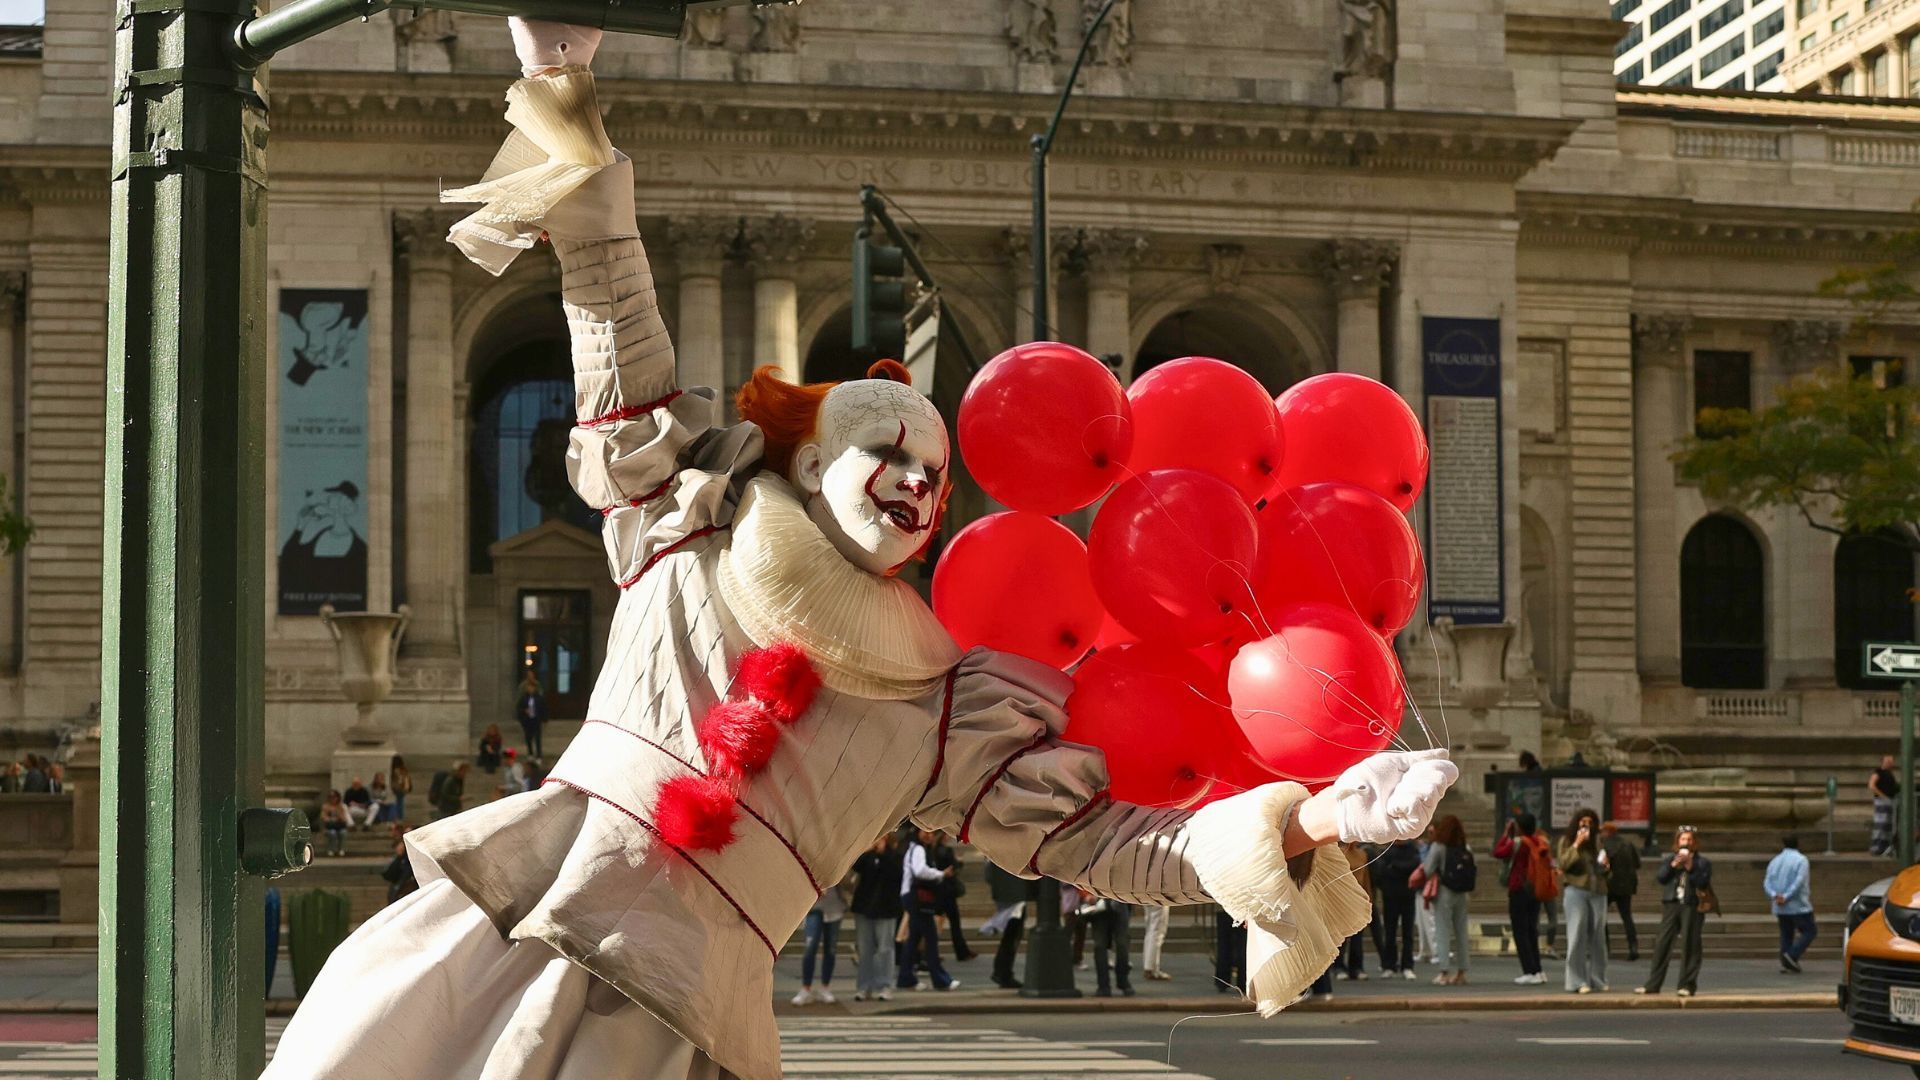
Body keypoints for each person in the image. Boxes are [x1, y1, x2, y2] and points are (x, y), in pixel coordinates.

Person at [262, 23, 1458, 1077]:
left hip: (689, 1014)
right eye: (885, 447)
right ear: (804, 455)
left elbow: (1102, 843)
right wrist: (562, 86)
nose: (919, 481)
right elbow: (619, 346)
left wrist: (1311, 820)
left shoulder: (940, 704)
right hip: (513, 925)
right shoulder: (683, 527)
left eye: (938, 473)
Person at [1638, 826, 1713, 997]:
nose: (1686, 843)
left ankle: (1687, 985)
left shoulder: (1702, 862)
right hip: (1672, 903)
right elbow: (1661, 878)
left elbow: (1702, 882)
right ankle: (1653, 984)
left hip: (1691, 905)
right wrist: (1673, 865)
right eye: (1683, 839)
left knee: (1690, 944)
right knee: (1662, 944)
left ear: (1695, 843)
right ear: (1677, 842)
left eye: (1689, 840)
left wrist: (1690, 866)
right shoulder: (1670, 859)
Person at [1492, 811, 1551, 985]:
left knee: (1520, 931)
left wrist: (1505, 833)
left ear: (1519, 827)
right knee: (1532, 930)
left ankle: (1528, 970)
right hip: (1535, 889)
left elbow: (1498, 852)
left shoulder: (1519, 843)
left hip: (1519, 889)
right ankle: (1538, 970)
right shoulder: (1540, 841)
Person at [897, 827, 958, 992]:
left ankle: (906, 977)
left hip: (913, 897)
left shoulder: (915, 848)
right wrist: (940, 874)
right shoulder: (918, 849)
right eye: (925, 832)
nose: (929, 835)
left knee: (914, 939)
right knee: (930, 938)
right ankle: (940, 979)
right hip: (917, 898)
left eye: (931, 833)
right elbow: (920, 871)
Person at [1557, 807, 1609, 993]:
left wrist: (1606, 865)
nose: (1586, 826)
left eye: (1590, 823)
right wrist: (1577, 844)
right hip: (1576, 890)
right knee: (1577, 935)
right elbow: (1563, 864)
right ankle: (1576, 981)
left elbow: (1606, 869)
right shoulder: (1567, 841)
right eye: (1582, 822)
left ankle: (1598, 978)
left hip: (1598, 891)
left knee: (1598, 936)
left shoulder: (1599, 842)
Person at [1420, 815, 1474, 985]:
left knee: (1442, 931)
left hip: (1444, 891)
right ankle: (1462, 972)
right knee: (1461, 932)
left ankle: (1444, 972)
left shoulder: (1438, 846)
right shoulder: (1466, 847)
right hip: (1462, 893)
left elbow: (1427, 870)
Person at [848, 833, 903, 1001]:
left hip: (886, 908)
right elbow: (856, 867)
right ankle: (864, 986)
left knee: (885, 948)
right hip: (865, 907)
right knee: (865, 949)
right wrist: (867, 850)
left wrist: (883, 853)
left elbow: (895, 873)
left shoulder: (894, 856)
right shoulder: (867, 857)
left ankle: (884, 984)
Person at [1765, 833, 1816, 974]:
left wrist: (1775, 895)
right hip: (1798, 905)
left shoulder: (1775, 860)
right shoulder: (1801, 860)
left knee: (1786, 933)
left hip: (1780, 906)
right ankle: (1792, 955)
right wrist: (1786, 896)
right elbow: (1799, 882)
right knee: (1809, 931)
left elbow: (1767, 881)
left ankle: (1786, 962)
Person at [792, 882, 848, 1005]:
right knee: (810, 947)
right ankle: (806, 988)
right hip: (814, 907)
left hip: (835, 906)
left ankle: (825, 987)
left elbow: (848, 880)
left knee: (831, 949)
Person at [1374, 837, 1421, 979]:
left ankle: (1407, 965)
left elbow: (1414, 866)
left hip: (1406, 895)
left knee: (1407, 933)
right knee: (1390, 932)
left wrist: (1394, 867)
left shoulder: (1411, 850)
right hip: (1391, 896)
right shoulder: (1387, 851)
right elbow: (1381, 873)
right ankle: (1390, 965)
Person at [983, 862, 1033, 989]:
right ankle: (1003, 973)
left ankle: (1002, 972)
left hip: (1009, 894)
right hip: (1013, 895)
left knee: (1012, 934)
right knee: (1012, 934)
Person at [929, 831, 975, 962]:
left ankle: (931, 952)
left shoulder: (931, 850)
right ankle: (962, 952)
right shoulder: (946, 850)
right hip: (947, 891)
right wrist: (959, 862)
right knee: (954, 923)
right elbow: (953, 867)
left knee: (934, 923)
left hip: (936, 890)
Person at [1599, 821, 1641, 960]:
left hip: (1610, 885)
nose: (1601, 834)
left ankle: (1605, 947)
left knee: (1602, 917)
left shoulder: (1604, 847)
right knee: (1627, 917)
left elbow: (1600, 867)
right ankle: (1633, 946)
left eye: (1602, 832)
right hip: (1627, 886)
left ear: (1608, 832)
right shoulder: (1628, 844)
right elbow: (1637, 864)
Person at [1084, 894, 1134, 997]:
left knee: (1122, 944)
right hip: (1099, 904)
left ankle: (1123, 981)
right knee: (1100, 946)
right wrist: (1087, 895)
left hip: (1119, 900)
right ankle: (1103, 985)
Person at [1214, 906, 1248, 993]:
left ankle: (1222, 982)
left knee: (1224, 945)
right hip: (1242, 908)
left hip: (1224, 906)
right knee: (1242, 946)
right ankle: (1243, 982)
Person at [1871, 754, 1900, 856]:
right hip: (1882, 801)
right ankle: (1877, 847)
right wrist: (1883, 796)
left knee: (1888, 825)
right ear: (1883, 761)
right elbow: (1872, 785)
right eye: (1888, 761)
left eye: (1891, 761)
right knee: (1881, 824)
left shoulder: (1890, 773)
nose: (1890, 763)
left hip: (1890, 801)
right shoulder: (1878, 772)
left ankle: (1885, 846)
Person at [516, 672, 549, 761]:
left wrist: (545, 719)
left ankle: (538, 755)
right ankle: (530, 753)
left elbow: (543, 708)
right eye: (529, 688)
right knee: (528, 738)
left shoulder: (539, 698)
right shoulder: (523, 698)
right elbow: (519, 708)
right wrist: (524, 712)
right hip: (527, 720)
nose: (530, 689)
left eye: (532, 688)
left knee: (537, 738)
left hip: (536, 720)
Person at [383, 826, 419, 905]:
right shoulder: (402, 857)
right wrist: (399, 857)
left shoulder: (419, 856)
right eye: (405, 834)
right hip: (399, 892)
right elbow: (388, 875)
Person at [1140, 902, 1172, 982]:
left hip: (1146, 894)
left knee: (1150, 929)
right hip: (1160, 896)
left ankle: (1148, 966)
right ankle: (1152, 969)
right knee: (1157, 931)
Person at [318, 791, 349, 858]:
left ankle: (341, 849)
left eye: (334, 797)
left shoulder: (341, 806)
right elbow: (323, 817)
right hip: (329, 827)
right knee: (332, 833)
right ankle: (331, 849)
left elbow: (344, 819)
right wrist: (331, 819)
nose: (333, 799)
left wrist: (338, 813)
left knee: (343, 832)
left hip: (339, 826)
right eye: (331, 797)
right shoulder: (325, 806)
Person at [388, 755, 412, 823]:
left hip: (399, 788)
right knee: (400, 802)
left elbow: (400, 780)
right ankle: (400, 816)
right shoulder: (403, 769)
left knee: (399, 803)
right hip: (403, 788)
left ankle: (399, 817)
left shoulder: (397, 770)